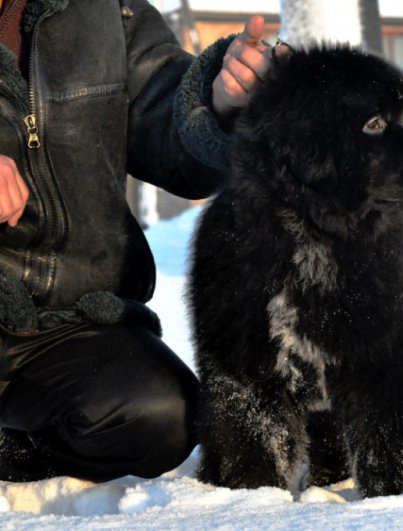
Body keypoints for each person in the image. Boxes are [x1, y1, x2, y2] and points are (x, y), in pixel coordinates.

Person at [0, 0, 285, 482]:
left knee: (164, 416)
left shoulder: (107, 11)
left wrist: (222, 102)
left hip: (66, 324)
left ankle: (15, 450)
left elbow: (171, 127)